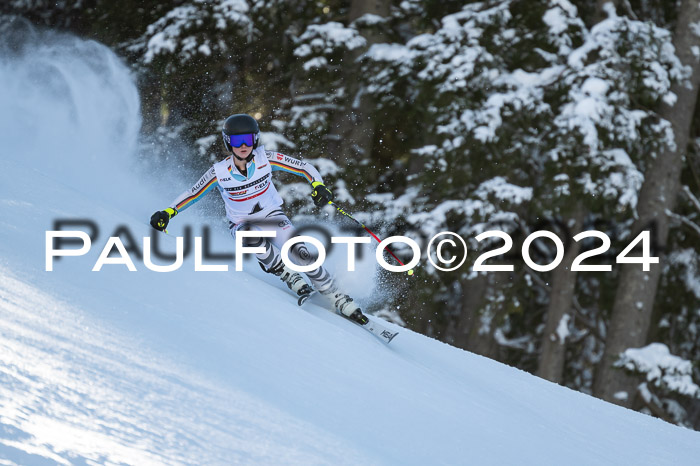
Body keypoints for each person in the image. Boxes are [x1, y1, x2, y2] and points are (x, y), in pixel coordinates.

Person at [150, 113, 369, 325]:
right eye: (237, 141)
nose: (243, 145)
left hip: (272, 216)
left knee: (300, 252)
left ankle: (336, 296)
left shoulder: (266, 159)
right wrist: (169, 212)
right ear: (228, 143)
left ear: (255, 140)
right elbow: (194, 192)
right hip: (241, 224)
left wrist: (318, 185)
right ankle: (287, 274)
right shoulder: (219, 172)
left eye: (247, 139)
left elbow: (304, 167)